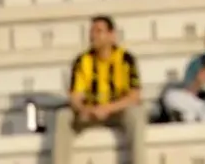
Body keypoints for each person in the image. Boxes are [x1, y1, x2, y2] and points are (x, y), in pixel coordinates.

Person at [51, 15, 146, 164]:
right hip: (90, 113)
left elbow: (134, 96)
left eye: (98, 31)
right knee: (63, 116)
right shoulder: (82, 61)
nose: (93, 35)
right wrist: (87, 109)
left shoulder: (125, 59)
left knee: (136, 114)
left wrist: (107, 108)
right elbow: (75, 97)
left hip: (116, 111)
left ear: (111, 35)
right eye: (92, 31)